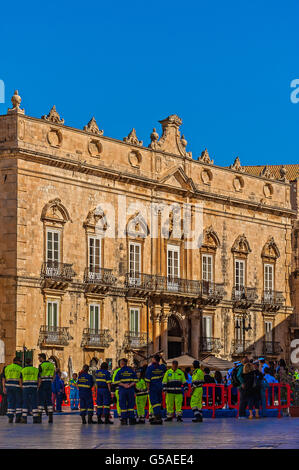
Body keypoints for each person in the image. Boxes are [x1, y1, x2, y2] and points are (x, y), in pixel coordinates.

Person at [114, 358, 137, 425]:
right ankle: (131, 420)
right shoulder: (131, 371)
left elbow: (116, 381)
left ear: (121, 364)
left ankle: (124, 420)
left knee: (123, 405)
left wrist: (124, 385)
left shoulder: (119, 371)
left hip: (122, 390)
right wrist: (129, 385)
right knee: (131, 404)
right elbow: (135, 380)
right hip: (130, 390)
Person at [145, 354, 167, 425]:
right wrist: (162, 358)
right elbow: (165, 364)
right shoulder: (161, 367)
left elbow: (148, 380)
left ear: (154, 359)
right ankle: (157, 417)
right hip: (159, 387)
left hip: (153, 387)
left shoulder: (150, 368)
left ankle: (158, 418)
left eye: (152, 359)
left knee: (154, 403)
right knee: (158, 402)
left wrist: (148, 389)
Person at [2, 357, 23, 423]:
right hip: (17, 387)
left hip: (8, 387)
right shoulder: (20, 368)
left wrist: (3, 387)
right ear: (17, 361)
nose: (20, 363)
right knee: (18, 402)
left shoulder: (6, 368)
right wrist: (21, 387)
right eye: (20, 361)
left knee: (10, 401)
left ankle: (10, 418)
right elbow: (21, 379)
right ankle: (18, 417)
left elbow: (3, 378)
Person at [20, 358, 40, 423]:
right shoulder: (36, 370)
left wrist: (21, 386)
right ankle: (35, 418)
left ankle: (24, 418)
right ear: (31, 362)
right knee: (34, 402)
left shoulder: (23, 370)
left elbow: (20, 379)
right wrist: (38, 386)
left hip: (25, 387)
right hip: (34, 387)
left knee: (25, 402)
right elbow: (39, 379)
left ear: (25, 362)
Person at [37, 353, 55, 423]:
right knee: (49, 400)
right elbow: (53, 375)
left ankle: (39, 418)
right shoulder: (51, 365)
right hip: (49, 383)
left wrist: (39, 385)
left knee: (41, 400)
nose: (39, 359)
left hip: (43, 384)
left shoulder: (41, 365)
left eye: (39, 358)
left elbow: (39, 376)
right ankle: (50, 418)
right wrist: (51, 381)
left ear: (42, 358)